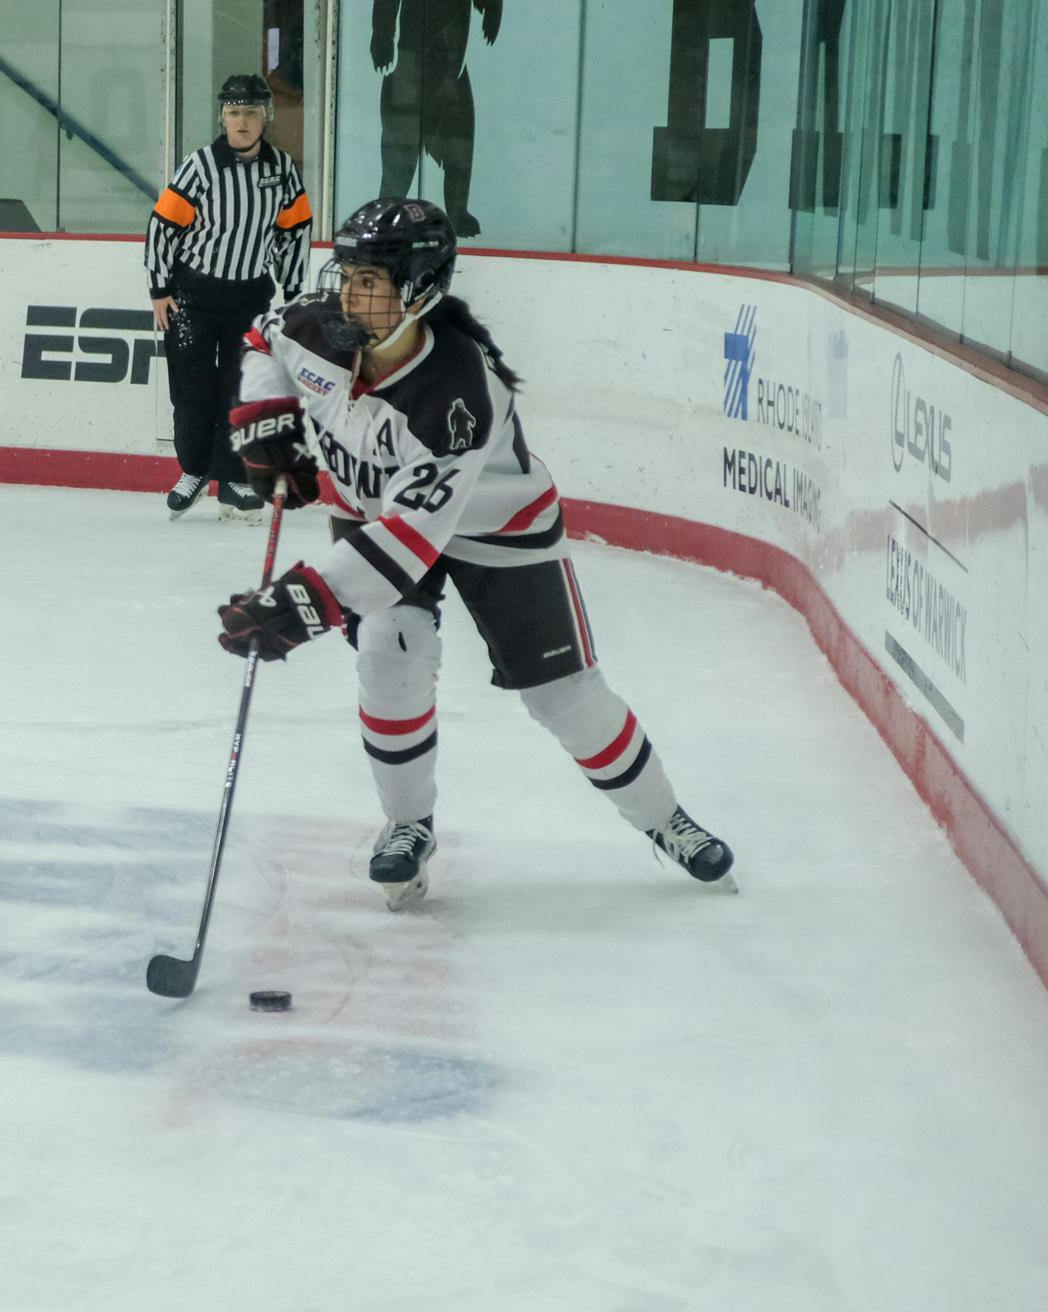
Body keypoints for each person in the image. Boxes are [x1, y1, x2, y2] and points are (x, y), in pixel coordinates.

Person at [214, 197, 736, 908]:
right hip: (377, 514)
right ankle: (407, 827)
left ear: (421, 291)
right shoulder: (317, 325)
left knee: (564, 696)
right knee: (388, 656)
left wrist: (298, 606)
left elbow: (409, 542)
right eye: (349, 275)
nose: (351, 294)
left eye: (374, 281)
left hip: (496, 527)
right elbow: (260, 339)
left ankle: (666, 819)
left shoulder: (458, 394)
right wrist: (264, 416)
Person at [144, 73, 314, 523]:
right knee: (192, 391)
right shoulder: (199, 165)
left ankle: (234, 478)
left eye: (251, 111)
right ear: (222, 115)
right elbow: (163, 225)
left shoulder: (282, 170)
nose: (242, 120)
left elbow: (295, 234)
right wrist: (160, 288)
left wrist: (293, 295)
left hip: (250, 299)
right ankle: (195, 471)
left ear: (266, 116)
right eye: (234, 111)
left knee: (238, 393)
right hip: (192, 298)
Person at [373, 0, 500, 237]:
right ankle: (388, 209)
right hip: (411, 59)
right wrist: (382, 35)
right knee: (400, 148)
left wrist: (493, 8)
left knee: (459, 142)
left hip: (451, 63)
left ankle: (457, 211)